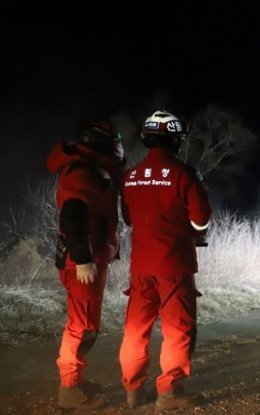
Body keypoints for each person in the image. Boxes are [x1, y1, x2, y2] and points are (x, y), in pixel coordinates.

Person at [119, 110, 212, 411]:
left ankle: (133, 392)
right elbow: (201, 220)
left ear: (146, 138)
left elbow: (129, 219)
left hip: (140, 267)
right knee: (178, 329)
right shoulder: (184, 174)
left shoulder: (131, 176)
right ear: (176, 139)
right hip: (174, 265)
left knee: (135, 329)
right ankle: (169, 392)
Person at [46, 119, 125, 409]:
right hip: (82, 261)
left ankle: (75, 381)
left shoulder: (89, 169)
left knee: (86, 324)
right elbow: (72, 215)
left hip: (88, 258)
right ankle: (70, 390)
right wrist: (82, 258)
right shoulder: (83, 173)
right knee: (81, 326)